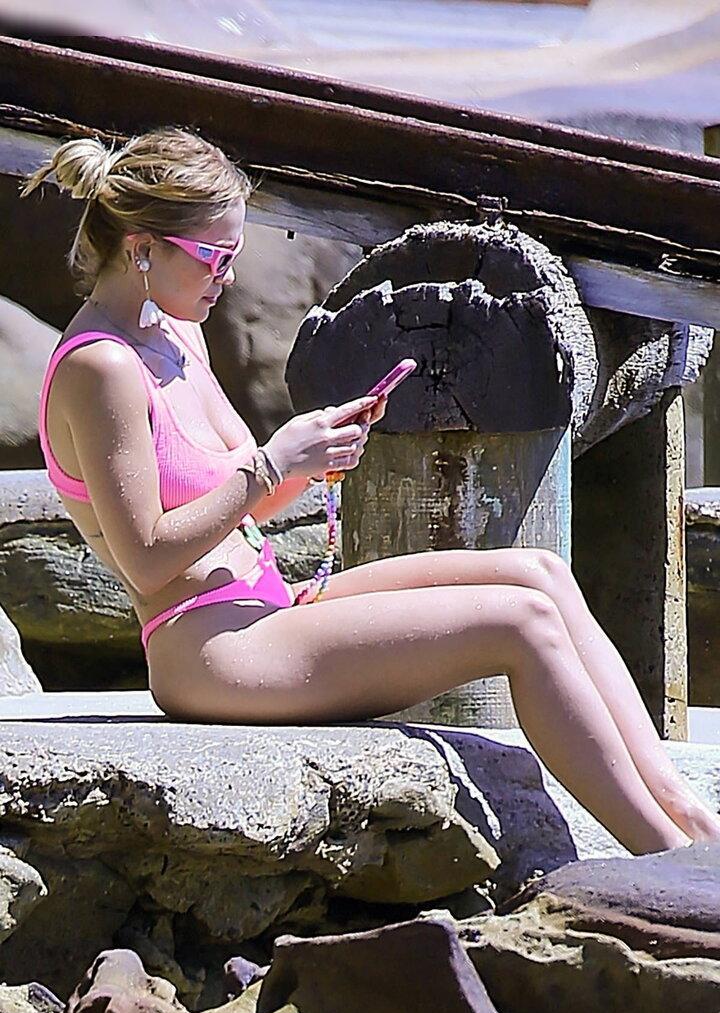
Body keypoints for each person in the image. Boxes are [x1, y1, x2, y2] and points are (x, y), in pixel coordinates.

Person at [21, 126, 720, 857]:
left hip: (267, 606)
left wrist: (311, 455)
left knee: (538, 572)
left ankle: (688, 815)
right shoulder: (100, 369)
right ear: (141, 249)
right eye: (215, 257)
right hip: (211, 652)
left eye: (235, 255)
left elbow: (249, 505)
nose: (226, 276)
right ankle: (672, 861)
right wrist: (271, 464)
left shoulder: (175, 334)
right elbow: (146, 561)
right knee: (521, 625)